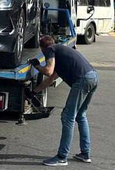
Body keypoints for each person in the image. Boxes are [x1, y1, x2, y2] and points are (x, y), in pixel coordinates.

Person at [32, 35, 99, 166]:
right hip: (93, 77)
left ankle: (62, 156)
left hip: (83, 80)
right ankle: (85, 153)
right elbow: (51, 78)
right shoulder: (61, 52)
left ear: (42, 47)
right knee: (81, 115)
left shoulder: (50, 49)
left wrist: (36, 65)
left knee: (67, 117)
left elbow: (48, 70)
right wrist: (34, 92)